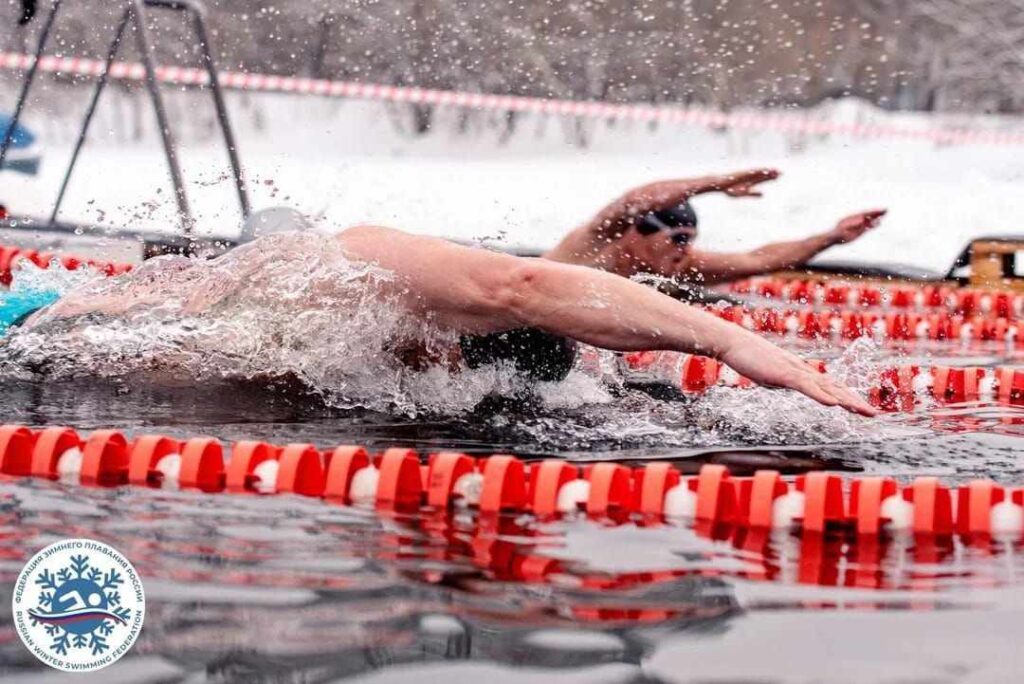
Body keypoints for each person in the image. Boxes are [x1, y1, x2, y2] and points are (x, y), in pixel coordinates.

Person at [7, 226, 875, 416]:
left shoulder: (366, 356)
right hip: (36, 321)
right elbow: (523, 286)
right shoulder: (361, 270)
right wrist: (728, 340)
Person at [544, 168, 886, 285]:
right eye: (677, 238)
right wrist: (713, 184)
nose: (685, 249)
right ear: (638, 232)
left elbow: (758, 260)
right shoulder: (593, 245)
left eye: (690, 240)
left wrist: (831, 237)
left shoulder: (680, 266)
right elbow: (636, 200)